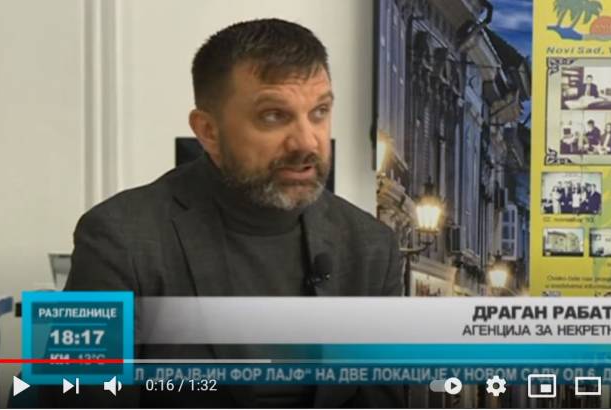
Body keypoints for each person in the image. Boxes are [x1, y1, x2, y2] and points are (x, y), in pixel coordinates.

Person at [62, 19, 404, 408]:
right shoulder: (116, 237)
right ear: (208, 131)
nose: (307, 142)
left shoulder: (372, 247)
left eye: (320, 111)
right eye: (273, 115)